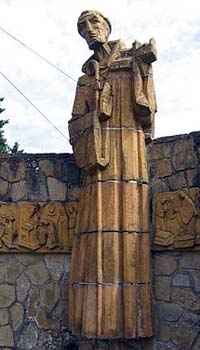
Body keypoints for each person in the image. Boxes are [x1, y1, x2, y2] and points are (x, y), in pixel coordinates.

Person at [68, 10, 157, 340]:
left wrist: (140, 69)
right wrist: (94, 106)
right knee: (96, 235)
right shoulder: (86, 76)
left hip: (129, 154)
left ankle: (133, 324)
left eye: (93, 24)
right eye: (82, 28)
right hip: (99, 163)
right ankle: (94, 323)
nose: (89, 31)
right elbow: (76, 123)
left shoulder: (134, 57)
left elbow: (147, 113)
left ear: (107, 26)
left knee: (131, 229)